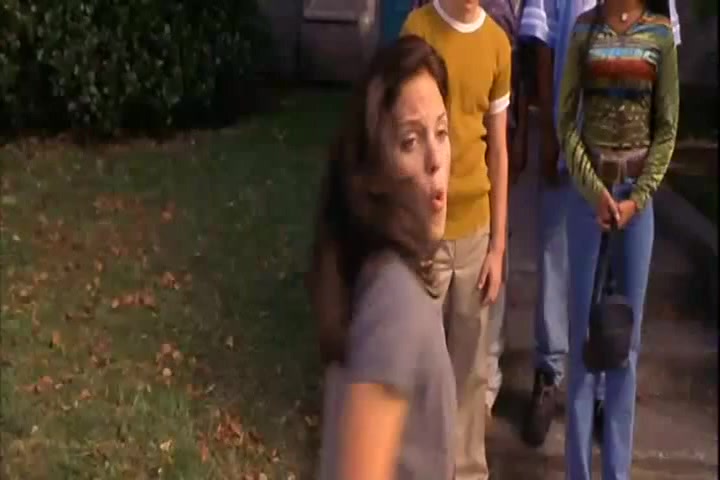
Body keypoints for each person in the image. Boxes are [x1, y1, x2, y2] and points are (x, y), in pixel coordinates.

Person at [517, 0, 681, 447]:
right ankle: (550, 374)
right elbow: (543, 39)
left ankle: (606, 391)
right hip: (572, 149)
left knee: (616, 283)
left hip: (627, 164)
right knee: (557, 259)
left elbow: (665, 55)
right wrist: (549, 132)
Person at [308, 35, 455, 480]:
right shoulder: (395, 298)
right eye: (410, 141)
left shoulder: (381, 274)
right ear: (373, 171)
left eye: (442, 133)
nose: (435, 159)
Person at [401, 2, 511, 479]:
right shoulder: (419, 29)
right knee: (417, 366)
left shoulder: (497, 44)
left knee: (470, 373)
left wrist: (498, 247)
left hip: (475, 233)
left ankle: (466, 471)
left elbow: (499, 149)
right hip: (423, 230)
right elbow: (398, 130)